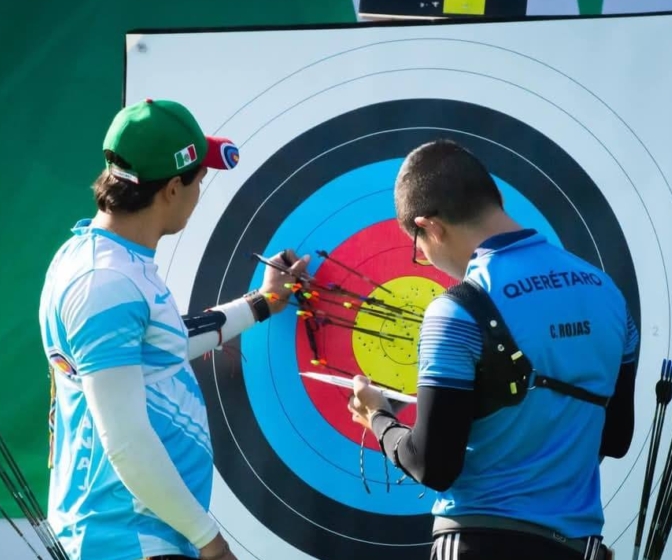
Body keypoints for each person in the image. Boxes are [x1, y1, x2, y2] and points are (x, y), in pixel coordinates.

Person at [38, 98, 310, 560]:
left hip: (133, 537)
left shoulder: (102, 260)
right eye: (199, 179)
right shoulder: (107, 283)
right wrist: (210, 540)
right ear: (170, 191)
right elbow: (125, 442)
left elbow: (163, 345)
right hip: (125, 541)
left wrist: (264, 303)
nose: (200, 193)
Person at [348, 139, 639, 560]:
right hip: (578, 547)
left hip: (477, 541)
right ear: (496, 198)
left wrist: (377, 416)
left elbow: (433, 465)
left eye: (418, 245)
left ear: (430, 226)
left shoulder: (456, 312)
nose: (424, 257)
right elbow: (615, 437)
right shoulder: (608, 294)